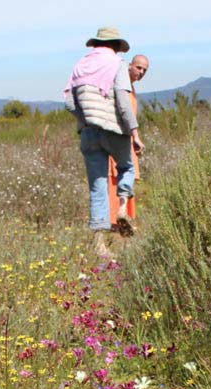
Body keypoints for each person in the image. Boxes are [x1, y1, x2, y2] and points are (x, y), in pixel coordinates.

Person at [64, 27, 145, 258]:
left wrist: (86, 119)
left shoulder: (80, 65)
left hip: (88, 132)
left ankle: (99, 246)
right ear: (116, 46)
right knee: (126, 167)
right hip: (113, 129)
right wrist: (134, 133)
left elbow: (69, 103)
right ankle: (121, 209)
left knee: (97, 187)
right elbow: (122, 100)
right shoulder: (117, 64)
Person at [108, 54, 149, 235]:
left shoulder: (131, 88)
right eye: (139, 68)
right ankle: (113, 223)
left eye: (145, 70)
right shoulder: (120, 85)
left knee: (127, 179)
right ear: (130, 65)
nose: (141, 72)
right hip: (117, 140)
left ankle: (125, 221)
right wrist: (135, 135)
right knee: (116, 179)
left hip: (128, 141)